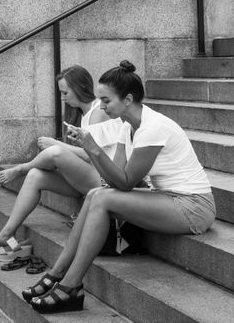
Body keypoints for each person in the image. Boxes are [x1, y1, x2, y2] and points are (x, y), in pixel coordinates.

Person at [23, 59, 216, 314]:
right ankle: (58, 272)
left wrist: (92, 148)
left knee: (101, 199)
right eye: (100, 100)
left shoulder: (152, 128)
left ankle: (70, 285)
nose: (101, 106)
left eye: (106, 100)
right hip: (168, 198)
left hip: (193, 206)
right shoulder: (129, 127)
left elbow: (124, 183)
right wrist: (92, 152)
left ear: (127, 100)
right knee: (95, 194)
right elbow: (114, 179)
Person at [0, 65, 123, 255]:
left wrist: (57, 144)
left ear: (79, 88)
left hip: (105, 180)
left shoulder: (99, 112)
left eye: (65, 92)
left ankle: (21, 168)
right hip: (88, 179)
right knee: (36, 175)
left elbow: (91, 154)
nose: (62, 98)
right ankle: (6, 234)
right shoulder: (82, 115)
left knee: (55, 152)